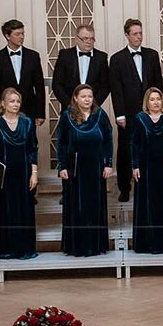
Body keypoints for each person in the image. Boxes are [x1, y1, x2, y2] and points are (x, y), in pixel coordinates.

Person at [109, 18, 163, 203]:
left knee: (150, 147)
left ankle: (148, 183)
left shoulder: (152, 55)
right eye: (135, 34)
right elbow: (116, 89)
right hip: (129, 113)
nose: (138, 37)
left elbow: (157, 85)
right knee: (126, 149)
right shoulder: (117, 59)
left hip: (151, 112)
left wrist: (158, 108)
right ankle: (124, 187)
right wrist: (120, 114)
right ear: (127, 35)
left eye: (140, 33)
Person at [57, 84, 113, 257]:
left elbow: (108, 140)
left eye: (90, 96)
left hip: (96, 166)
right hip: (75, 167)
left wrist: (108, 163)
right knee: (76, 206)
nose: (87, 99)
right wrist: (62, 166)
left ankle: (95, 245)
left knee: (94, 205)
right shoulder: (67, 116)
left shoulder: (100, 115)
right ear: (75, 98)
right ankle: (77, 246)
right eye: (83, 96)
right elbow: (61, 143)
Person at [0, 88, 39, 260]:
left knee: (24, 210)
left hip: (24, 173)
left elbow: (33, 149)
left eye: (18, 101)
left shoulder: (27, 123)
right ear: (3, 103)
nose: (15, 104)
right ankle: (6, 249)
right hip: (4, 176)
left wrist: (34, 173)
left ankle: (24, 249)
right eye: (12, 101)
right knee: (6, 211)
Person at [130, 87, 163, 254]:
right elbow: (135, 144)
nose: (156, 102)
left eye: (158, 98)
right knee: (147, 204)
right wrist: (135, 165)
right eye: (152, 99)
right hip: (145, 169)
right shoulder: (140, 118)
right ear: (147, 102)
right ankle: (147, 244)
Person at [0, 19, 46, 125]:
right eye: (17, 34)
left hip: (29, 110)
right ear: (7, 36)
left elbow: (39, 87)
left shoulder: (33, 56)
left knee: (29, 140)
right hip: (4, 112)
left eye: (23, 33)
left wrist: (40, 113)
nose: (22, 37)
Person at [52, 23, 110, 110]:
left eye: (92, 39)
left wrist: (94, 105)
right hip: (69, 109)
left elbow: (105, 86)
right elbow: (57, 84)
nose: (89, 41)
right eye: (85, 38)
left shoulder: (101, 57)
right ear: (76, 39)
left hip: (93, 110)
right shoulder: (64, 55)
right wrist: (70, 105)